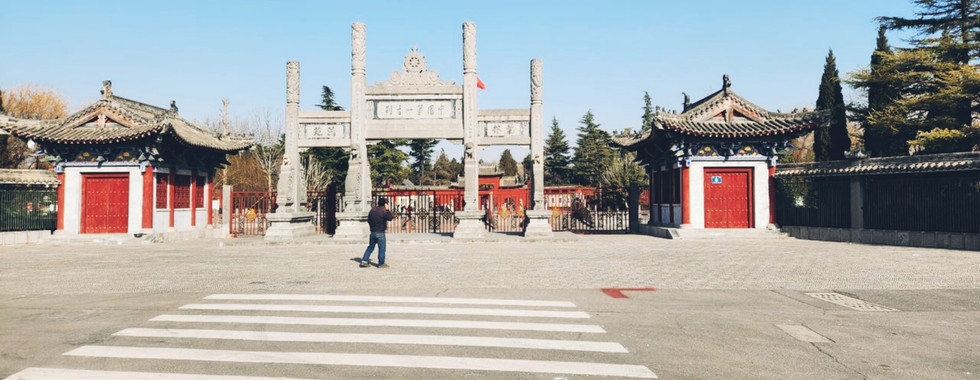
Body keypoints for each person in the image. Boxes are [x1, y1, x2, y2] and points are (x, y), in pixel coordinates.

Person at [361, 198, 394, 268]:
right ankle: (381, 263)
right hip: (380, 232)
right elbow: (390, 218)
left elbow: (368, 220)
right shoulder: (383, 211)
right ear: (385, 204)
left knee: (370, 247)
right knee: (382, 248)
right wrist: (388, 210)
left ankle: (364, 261)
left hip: (373, 232)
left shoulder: (372, 210)